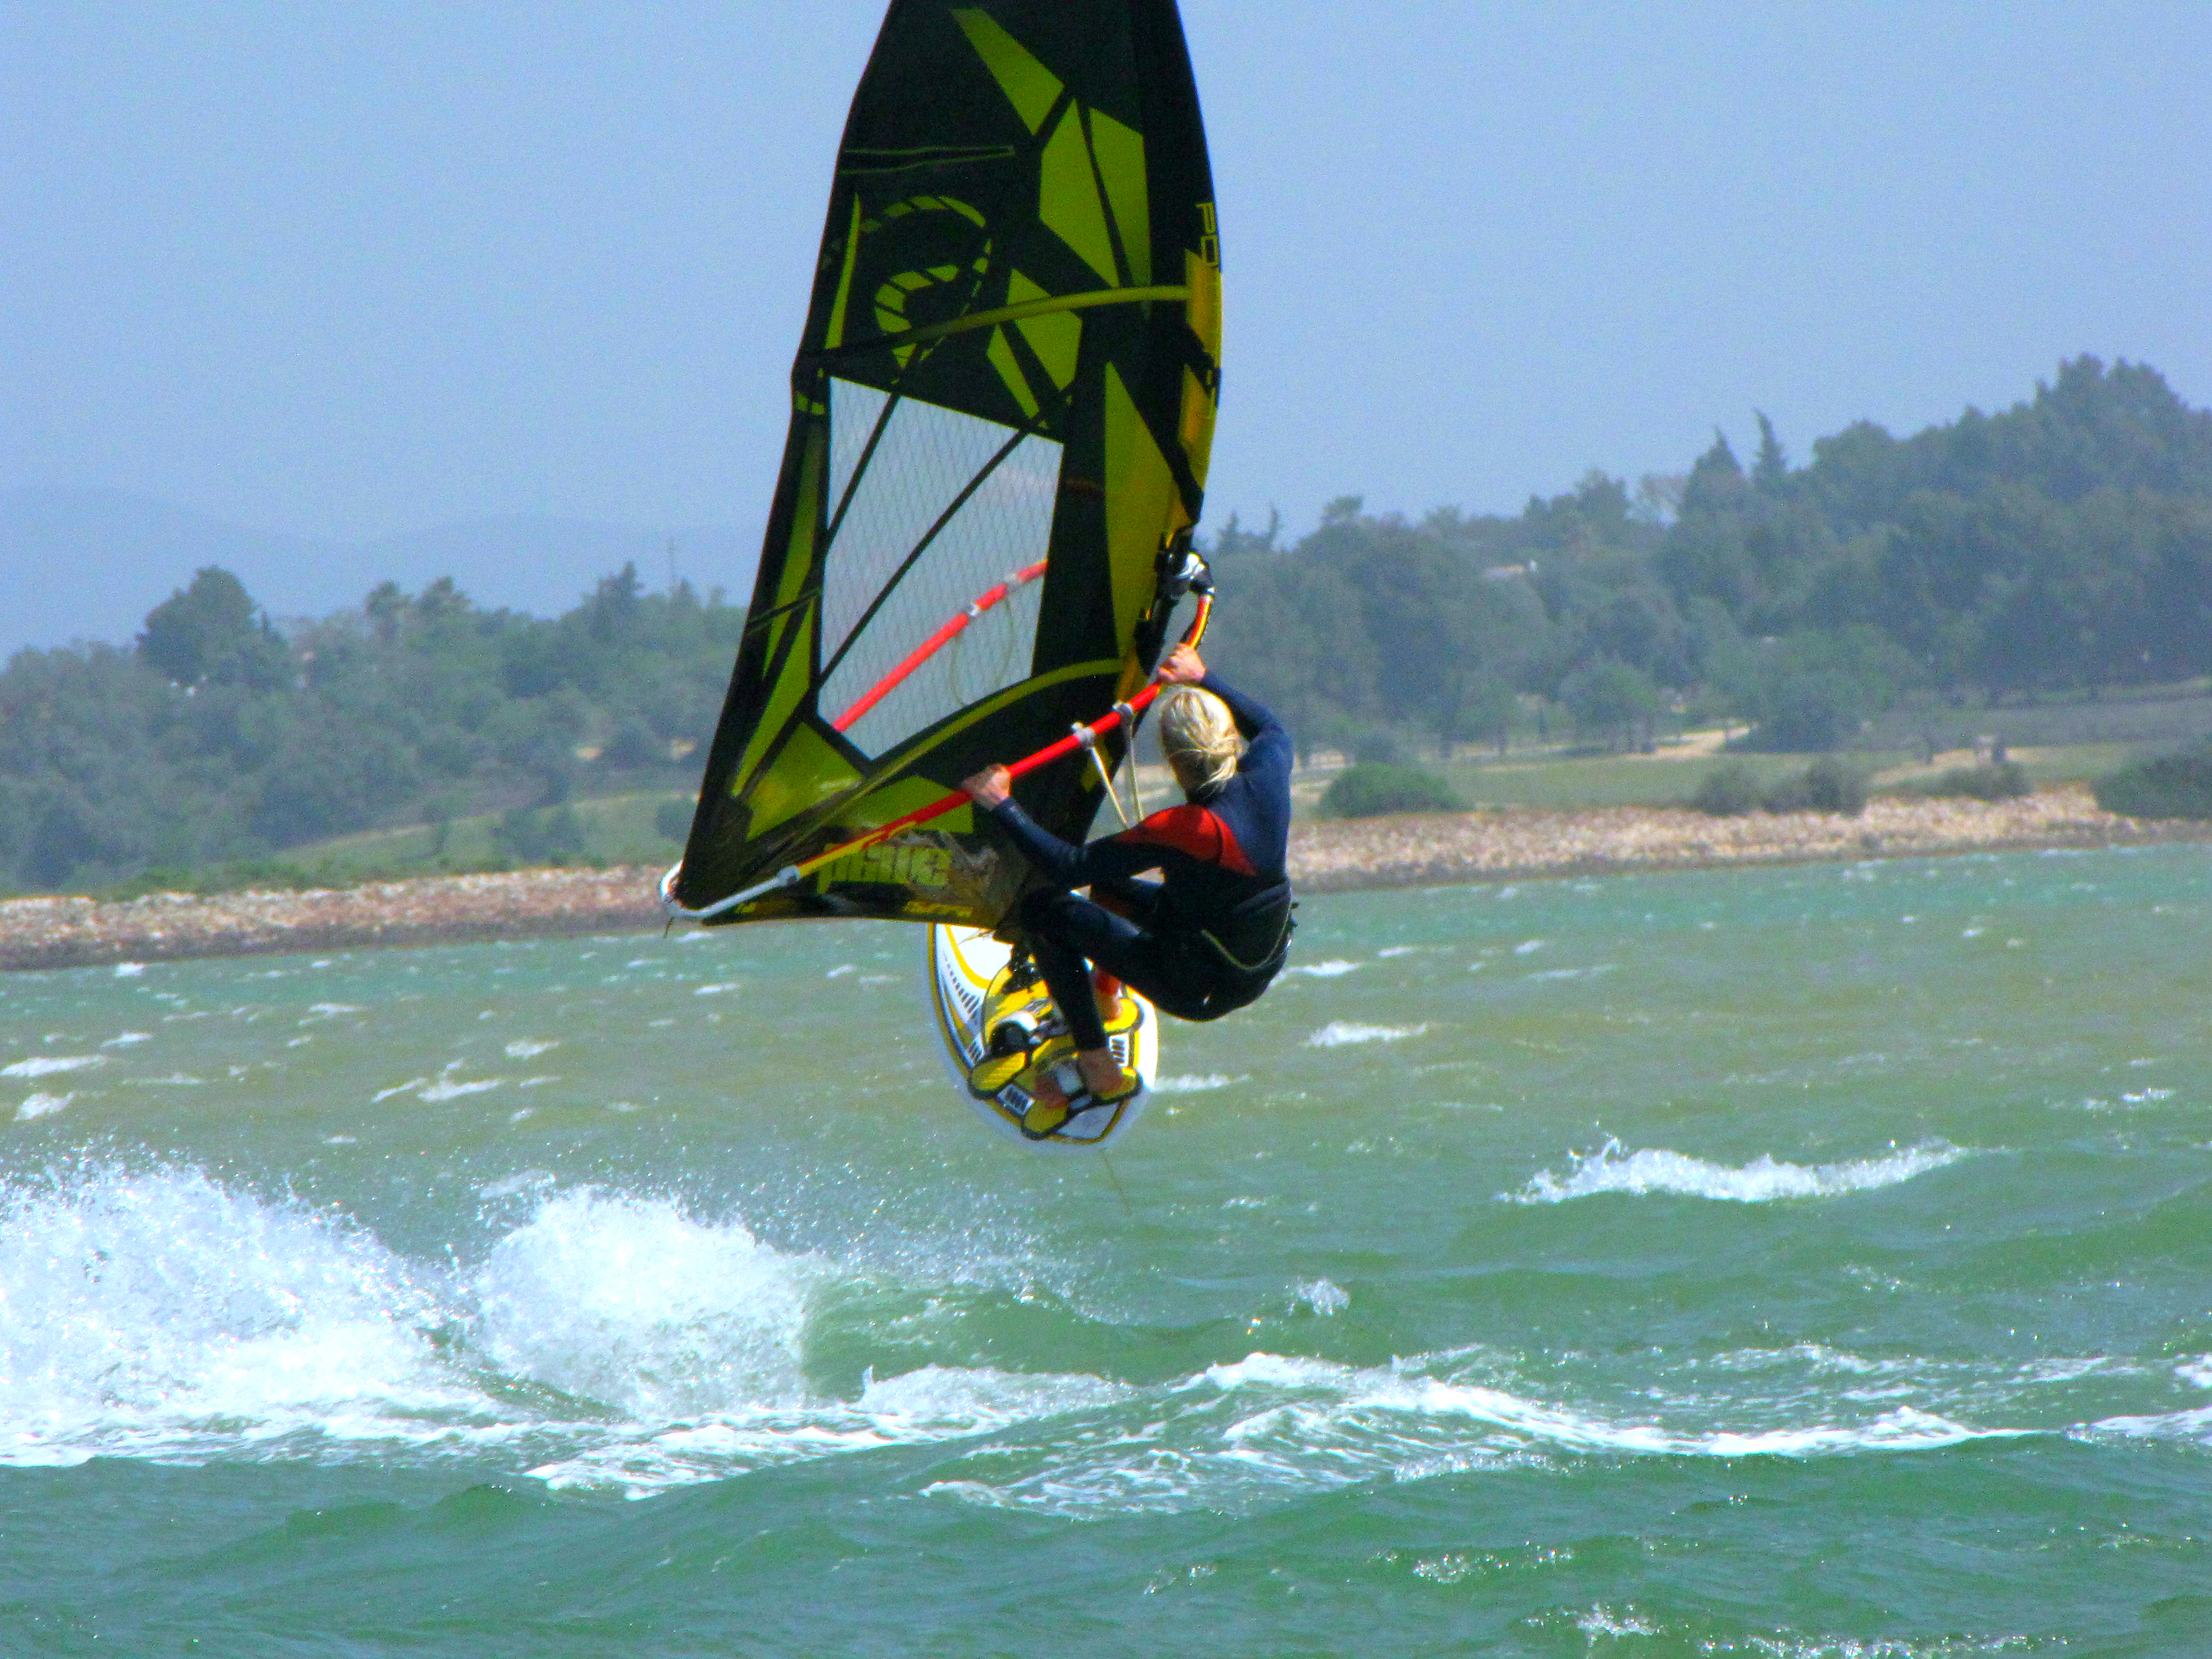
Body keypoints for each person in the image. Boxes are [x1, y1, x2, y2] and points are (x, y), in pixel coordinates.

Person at [960, 642, 1294, 1135]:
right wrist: (1203, 677)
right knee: (1110, 885)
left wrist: (1002, 804)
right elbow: (1272, 727)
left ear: (1175, 763)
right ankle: (1104, 998)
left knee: (1043, 911)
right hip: (1248, 955)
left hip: (1199, 987)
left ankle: (1099, 1069)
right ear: (1228, 740)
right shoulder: (1267, 773)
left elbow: (1070, 866)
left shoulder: (1188, 828)